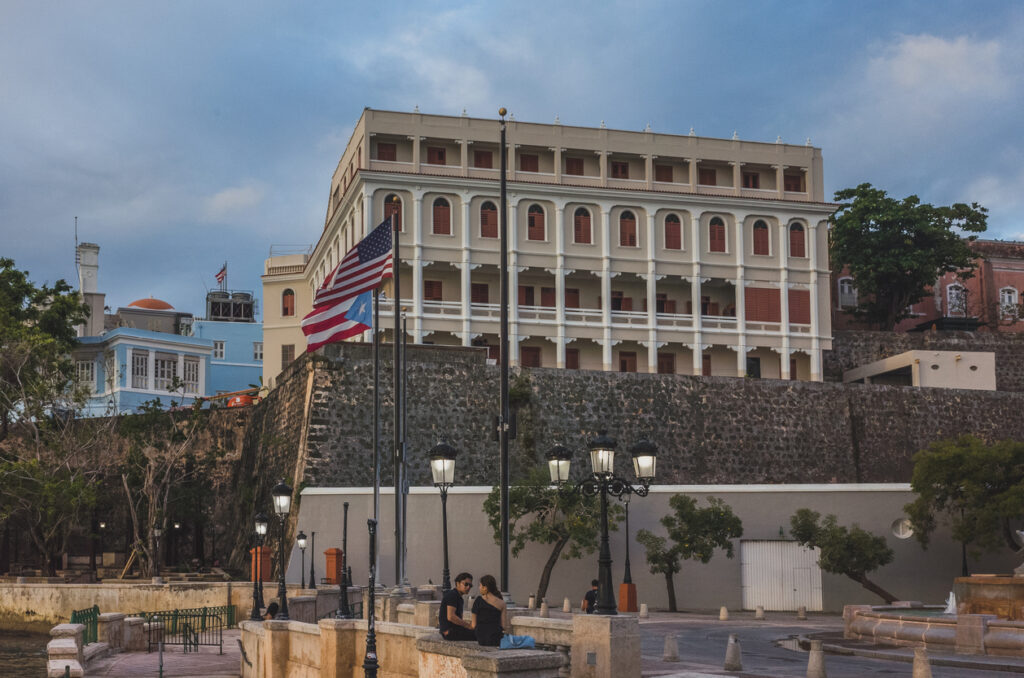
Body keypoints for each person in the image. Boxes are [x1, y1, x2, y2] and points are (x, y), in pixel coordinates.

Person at [470, 574, 508, 646]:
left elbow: (473, 625)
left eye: (480, 585)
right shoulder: (502, 603)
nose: (479, 588)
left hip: (481, 639)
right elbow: (504, 626)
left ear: (485, 588)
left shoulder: (478, 600)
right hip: (496, 638)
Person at [439, 572, 475, 640]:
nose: (468, 587)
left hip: (454, 630)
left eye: (470, 585)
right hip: (449, 632)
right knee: (478, 635)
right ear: (458, 583)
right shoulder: (452, 595)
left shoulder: (458, 597)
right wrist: (468, 626)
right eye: (466, 584)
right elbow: (451, 617)